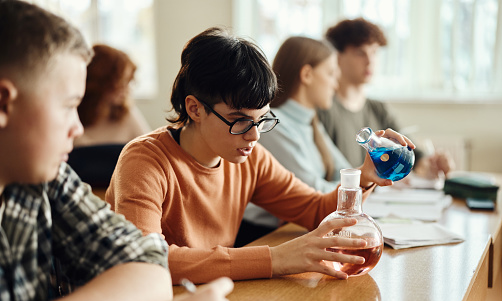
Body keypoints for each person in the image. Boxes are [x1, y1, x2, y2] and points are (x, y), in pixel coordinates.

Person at [105, 27, 415, 284]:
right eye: (239, 121)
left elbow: (314, 210)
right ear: (195, 108)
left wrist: (362, 178)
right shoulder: (144, 161)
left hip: (206, 300)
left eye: (262, 119)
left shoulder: (250, 158)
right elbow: (148, 259)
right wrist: (277, 258)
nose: (254, 136)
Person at [0, 1, 232, 301]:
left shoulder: (43, 178)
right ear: (4, 103)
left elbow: (148, 262)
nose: (77, 128)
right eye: (67, 107)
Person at [241, 36, 352, 235]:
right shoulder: (271, 123)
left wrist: (357, 182)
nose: (336, 85)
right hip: (264, 234)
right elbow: (314, 193)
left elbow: (345, 173)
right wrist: (354, 186)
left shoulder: (311, 121)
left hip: (298, 227)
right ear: (307, 74)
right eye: (330, 74)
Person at [317, 17, 453, 179]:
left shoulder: (378, 108)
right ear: (337, 56)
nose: (370, 61)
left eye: (374, 52)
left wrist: (431, 162)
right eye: (360, 53)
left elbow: (407, 149)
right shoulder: (322, 110)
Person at [74, 44, 151, 147]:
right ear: (101, 81)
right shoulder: (73, 115)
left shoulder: (126, 115)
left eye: (128, 82)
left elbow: (153, 149)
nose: (126, 89)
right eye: (121, 82)